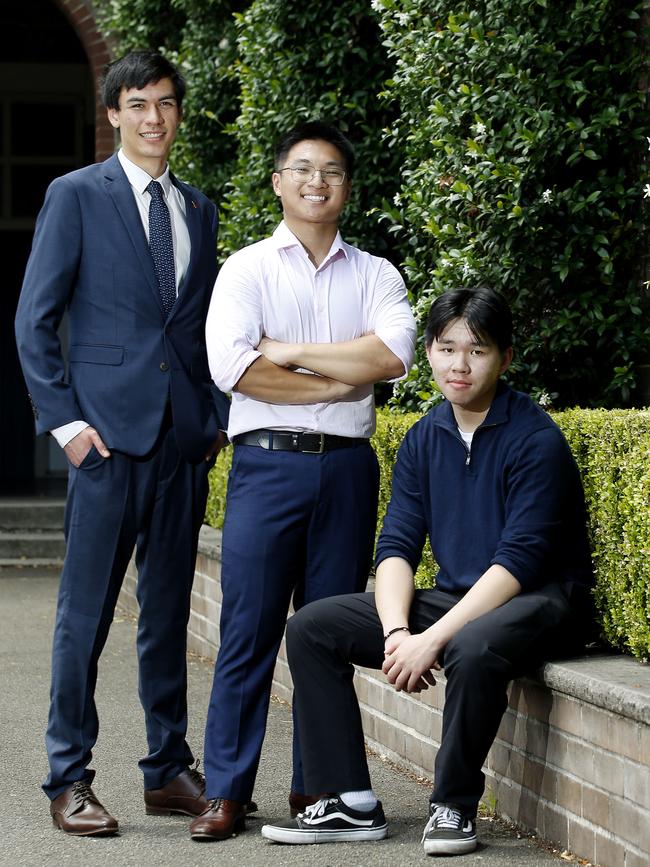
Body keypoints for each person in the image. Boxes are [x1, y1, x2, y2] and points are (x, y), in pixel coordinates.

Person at [260, 287, 595, 856]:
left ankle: (453, 806)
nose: (459, 365)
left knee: (472, 646)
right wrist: (397, 635)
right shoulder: (424, 437)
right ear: (431, 353)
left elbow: (518, 562)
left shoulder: (536, 440)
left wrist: (432, 639)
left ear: (505, 358)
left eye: (478, 350)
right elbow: (396, 546)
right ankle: (347, 800)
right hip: (462, 597)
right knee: (313, 626)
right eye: (446, 348)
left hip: (539, 599)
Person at [14, 50, 230, 836]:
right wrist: (68, 428)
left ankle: (166, 767)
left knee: (167, 612)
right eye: (137, 104)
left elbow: (202, 330)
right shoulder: (74, 196)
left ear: (178, 112)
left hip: (181, 445)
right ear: (113, 114)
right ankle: (67, 775)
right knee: (85, 617)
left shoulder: (198, 211)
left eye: (166, 103)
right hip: (104, 447)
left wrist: (211, 419)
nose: (153, 118)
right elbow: (33, 321)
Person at [191, 121, 416, 841]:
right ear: (279, 182)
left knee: (324, 631)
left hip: (348, 472)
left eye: (333, 171)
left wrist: (288, 356)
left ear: (347, 187)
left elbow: (388, 359)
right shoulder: (247, 269)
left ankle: (317, 787)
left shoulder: (375, 273)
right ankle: (225, 789)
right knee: (248, 629)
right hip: (266, 466)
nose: (317, 181)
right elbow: (233, 369)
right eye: (303, 169)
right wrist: (335, 379)